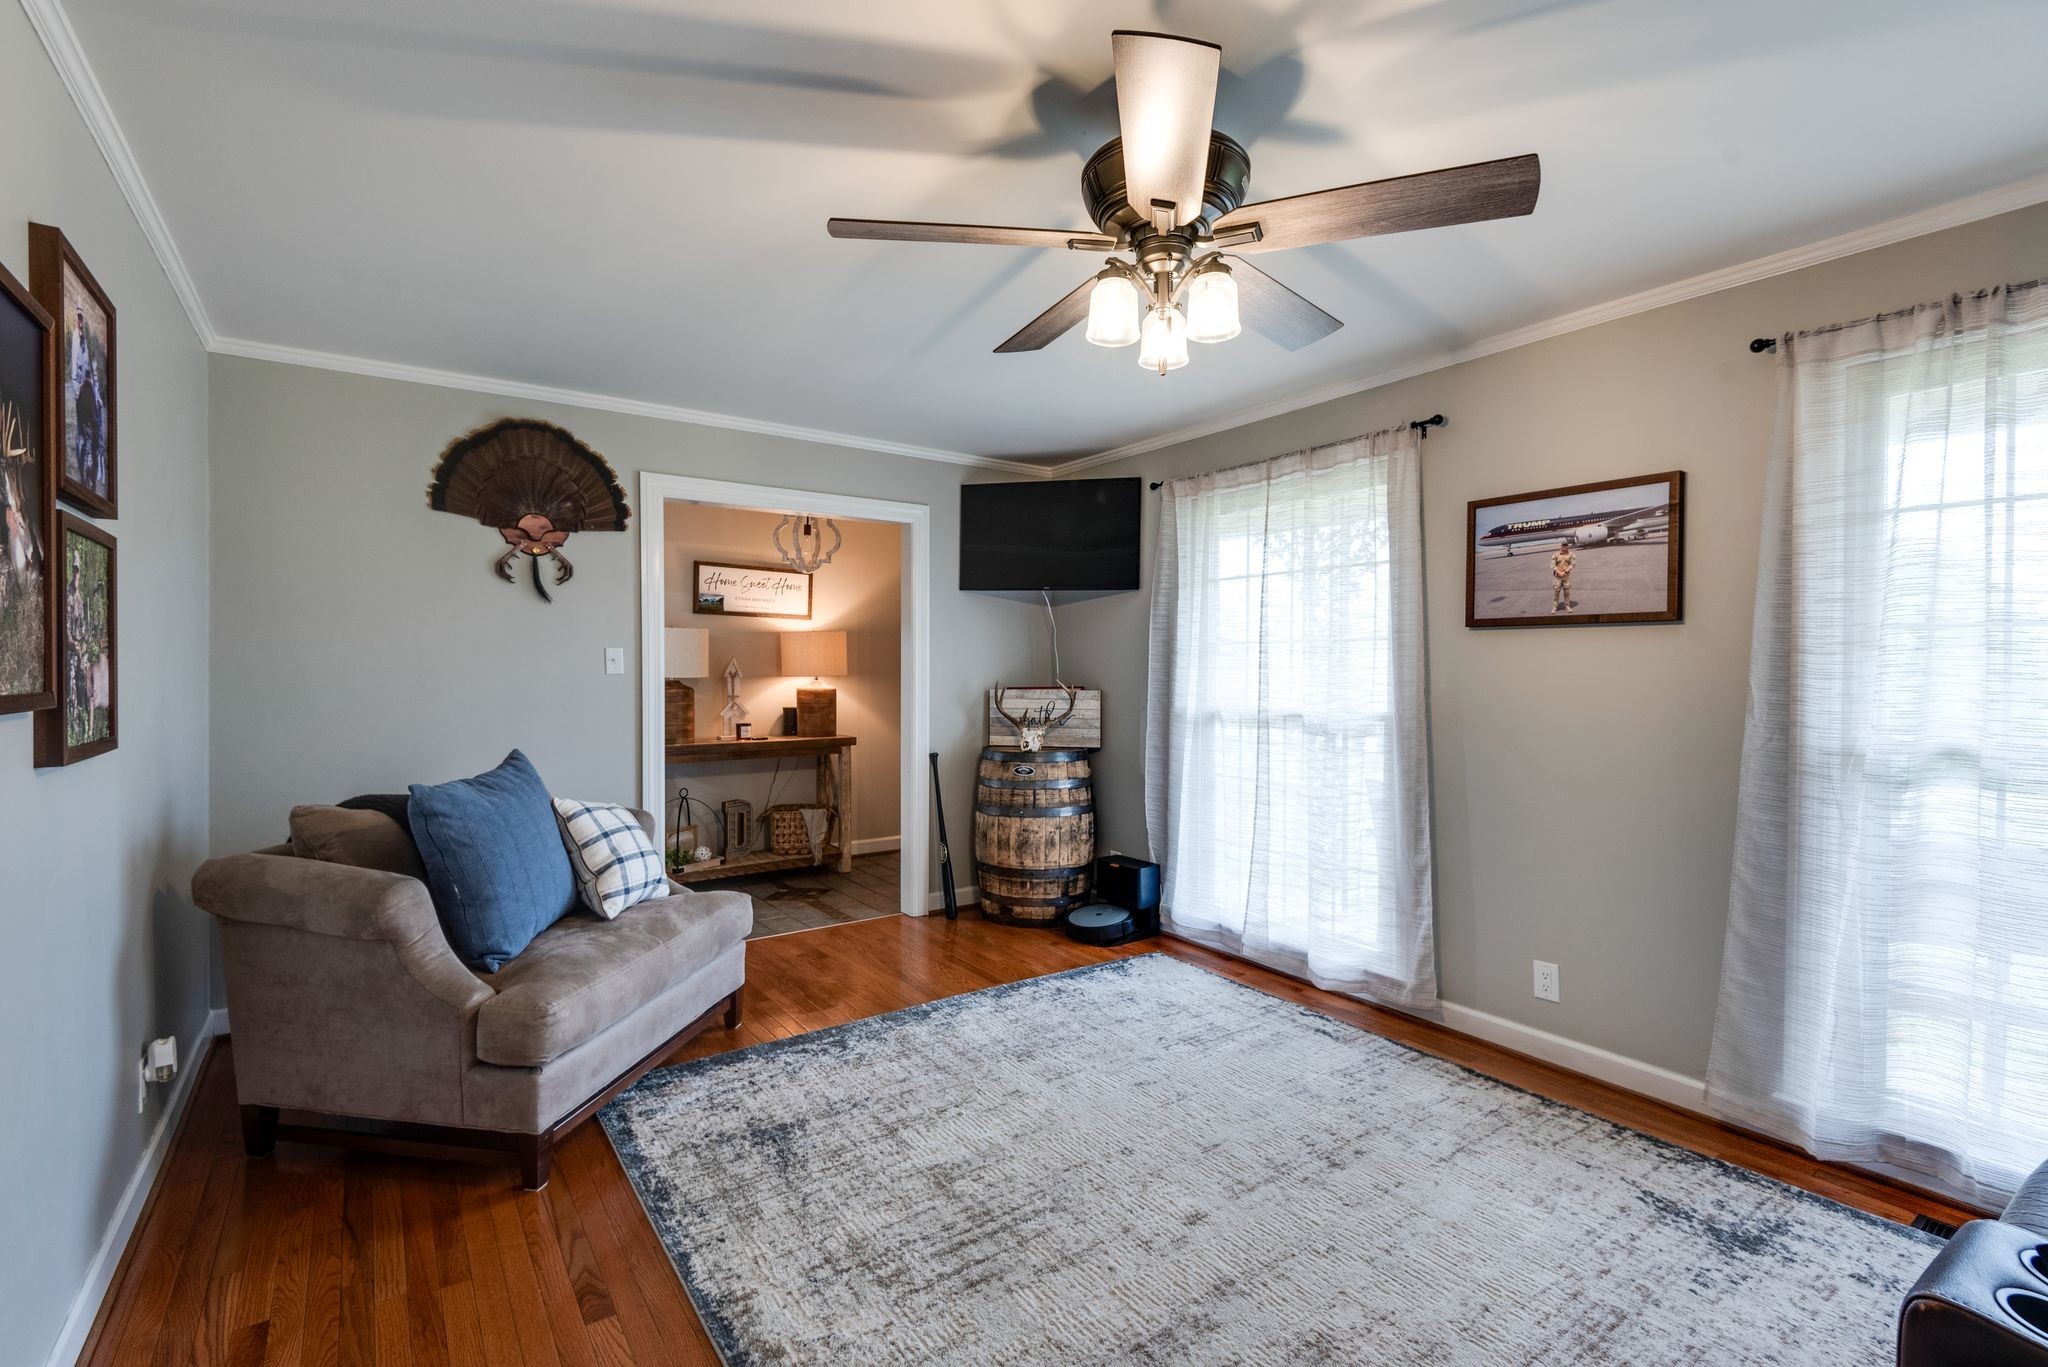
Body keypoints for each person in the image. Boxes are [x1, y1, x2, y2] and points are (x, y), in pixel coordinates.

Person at [1551, 540, 1577, 614]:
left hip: (1566, 577)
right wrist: (1559, 572)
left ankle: (1567, 606)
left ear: (1567, 546)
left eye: (1565, 545)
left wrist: (1565, 572)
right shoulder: (1555, 555)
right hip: (1558, 577)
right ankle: (1554, 607)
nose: (1564, 547)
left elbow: (1572, 564)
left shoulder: (1571, 554)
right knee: (1556, 592)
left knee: (1567, 592)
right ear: (1561, 546)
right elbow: (1553, 565)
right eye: (1563, 545)